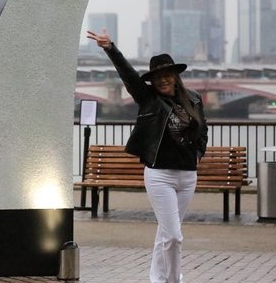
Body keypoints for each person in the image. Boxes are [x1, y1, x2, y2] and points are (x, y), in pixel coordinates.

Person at [86, 29, 207, 283]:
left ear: (175, 77)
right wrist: (110, 48)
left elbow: (202, 130)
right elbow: (128, 75)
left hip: (187, 176)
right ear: (152, 81)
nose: (162, 80)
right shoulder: (148, 99)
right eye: (157, 77)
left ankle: (157, 278)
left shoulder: (194, 99)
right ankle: (174, 280)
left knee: (167, 233)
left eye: (166, 75)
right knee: (174, 236)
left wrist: (198, 154)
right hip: (160, 175)